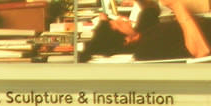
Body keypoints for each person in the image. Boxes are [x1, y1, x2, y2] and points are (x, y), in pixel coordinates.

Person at [82, 0, 211, 60]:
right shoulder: (148, 49)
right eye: (119, 24)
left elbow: (150, 7)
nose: (121, 18)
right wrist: (176, 6)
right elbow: (201, 51)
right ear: (126, 40)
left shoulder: (141, 31)